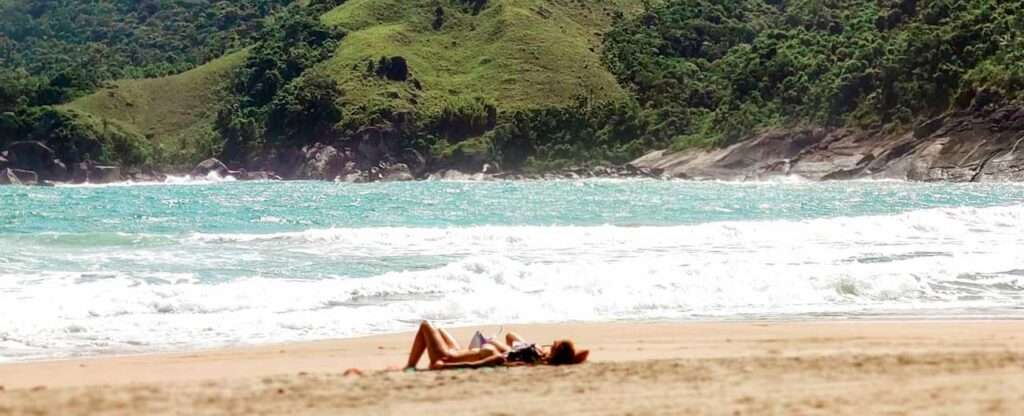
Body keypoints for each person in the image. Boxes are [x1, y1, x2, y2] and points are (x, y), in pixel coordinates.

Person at [404, 320, 590, 370]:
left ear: (556, 351)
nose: (550, 344)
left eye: (554, 344)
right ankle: (410, 365)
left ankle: (409, 366)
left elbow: (493, 361)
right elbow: (581, 354)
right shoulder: (538, 356)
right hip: (461, 353)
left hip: (447, 358)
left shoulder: (528, 359)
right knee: (438, 328)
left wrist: (446, 365)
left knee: (425, 325)